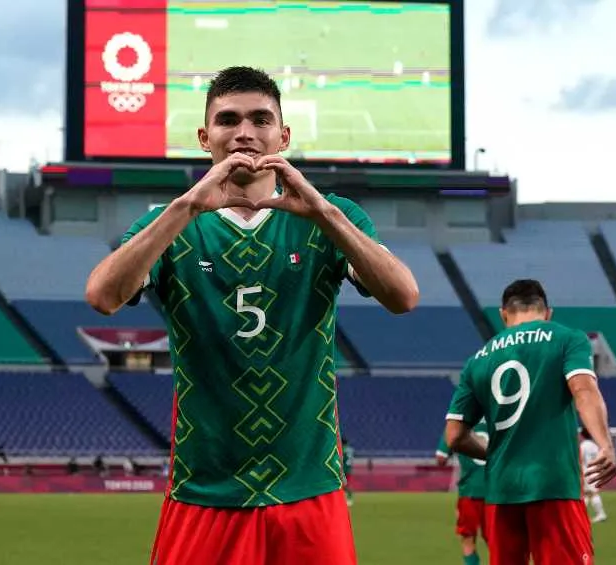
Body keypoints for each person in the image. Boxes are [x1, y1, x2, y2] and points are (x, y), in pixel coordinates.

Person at [84, 65, 419, 565]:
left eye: (261, 119)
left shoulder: (332, 217)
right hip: (205, 491)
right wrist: (188, 206)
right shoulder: (171, 221)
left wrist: (325, 213)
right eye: (228, 120)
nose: (245, 132)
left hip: (309, 487)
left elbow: (403, 296)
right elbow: (102, 296)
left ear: (283, 136)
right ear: (205, 137)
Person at [442, 279, 616, 565]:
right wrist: (604, 444)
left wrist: (495, 455)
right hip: (554, 486)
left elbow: (455, 436)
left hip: (501, 493)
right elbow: (583, 389)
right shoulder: (567, 338)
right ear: (548, 313)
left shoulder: (478, 360)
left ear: (503, 314)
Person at [436, 419, 490, 565]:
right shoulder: (500, 418)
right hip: (496, 492)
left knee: (468, 539)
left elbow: (441, 458)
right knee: (498, 542)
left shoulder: (460, 422)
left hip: (470, 491)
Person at [579, 427, 608, 523]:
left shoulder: (583, 446)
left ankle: (601, 514)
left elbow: (580, 459)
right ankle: (581, 515)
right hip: (595, 470)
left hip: (587, 471)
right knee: (587, 494)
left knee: (592, 493)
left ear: (582, 435)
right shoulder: (594, 446)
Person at [342, 436, 355, 507]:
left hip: (343, 469)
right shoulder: (351, 450)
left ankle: (350, 498)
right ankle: (348, 498)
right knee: (344, 485)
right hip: (349, 469)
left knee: (344, 485)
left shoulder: (342, 449)